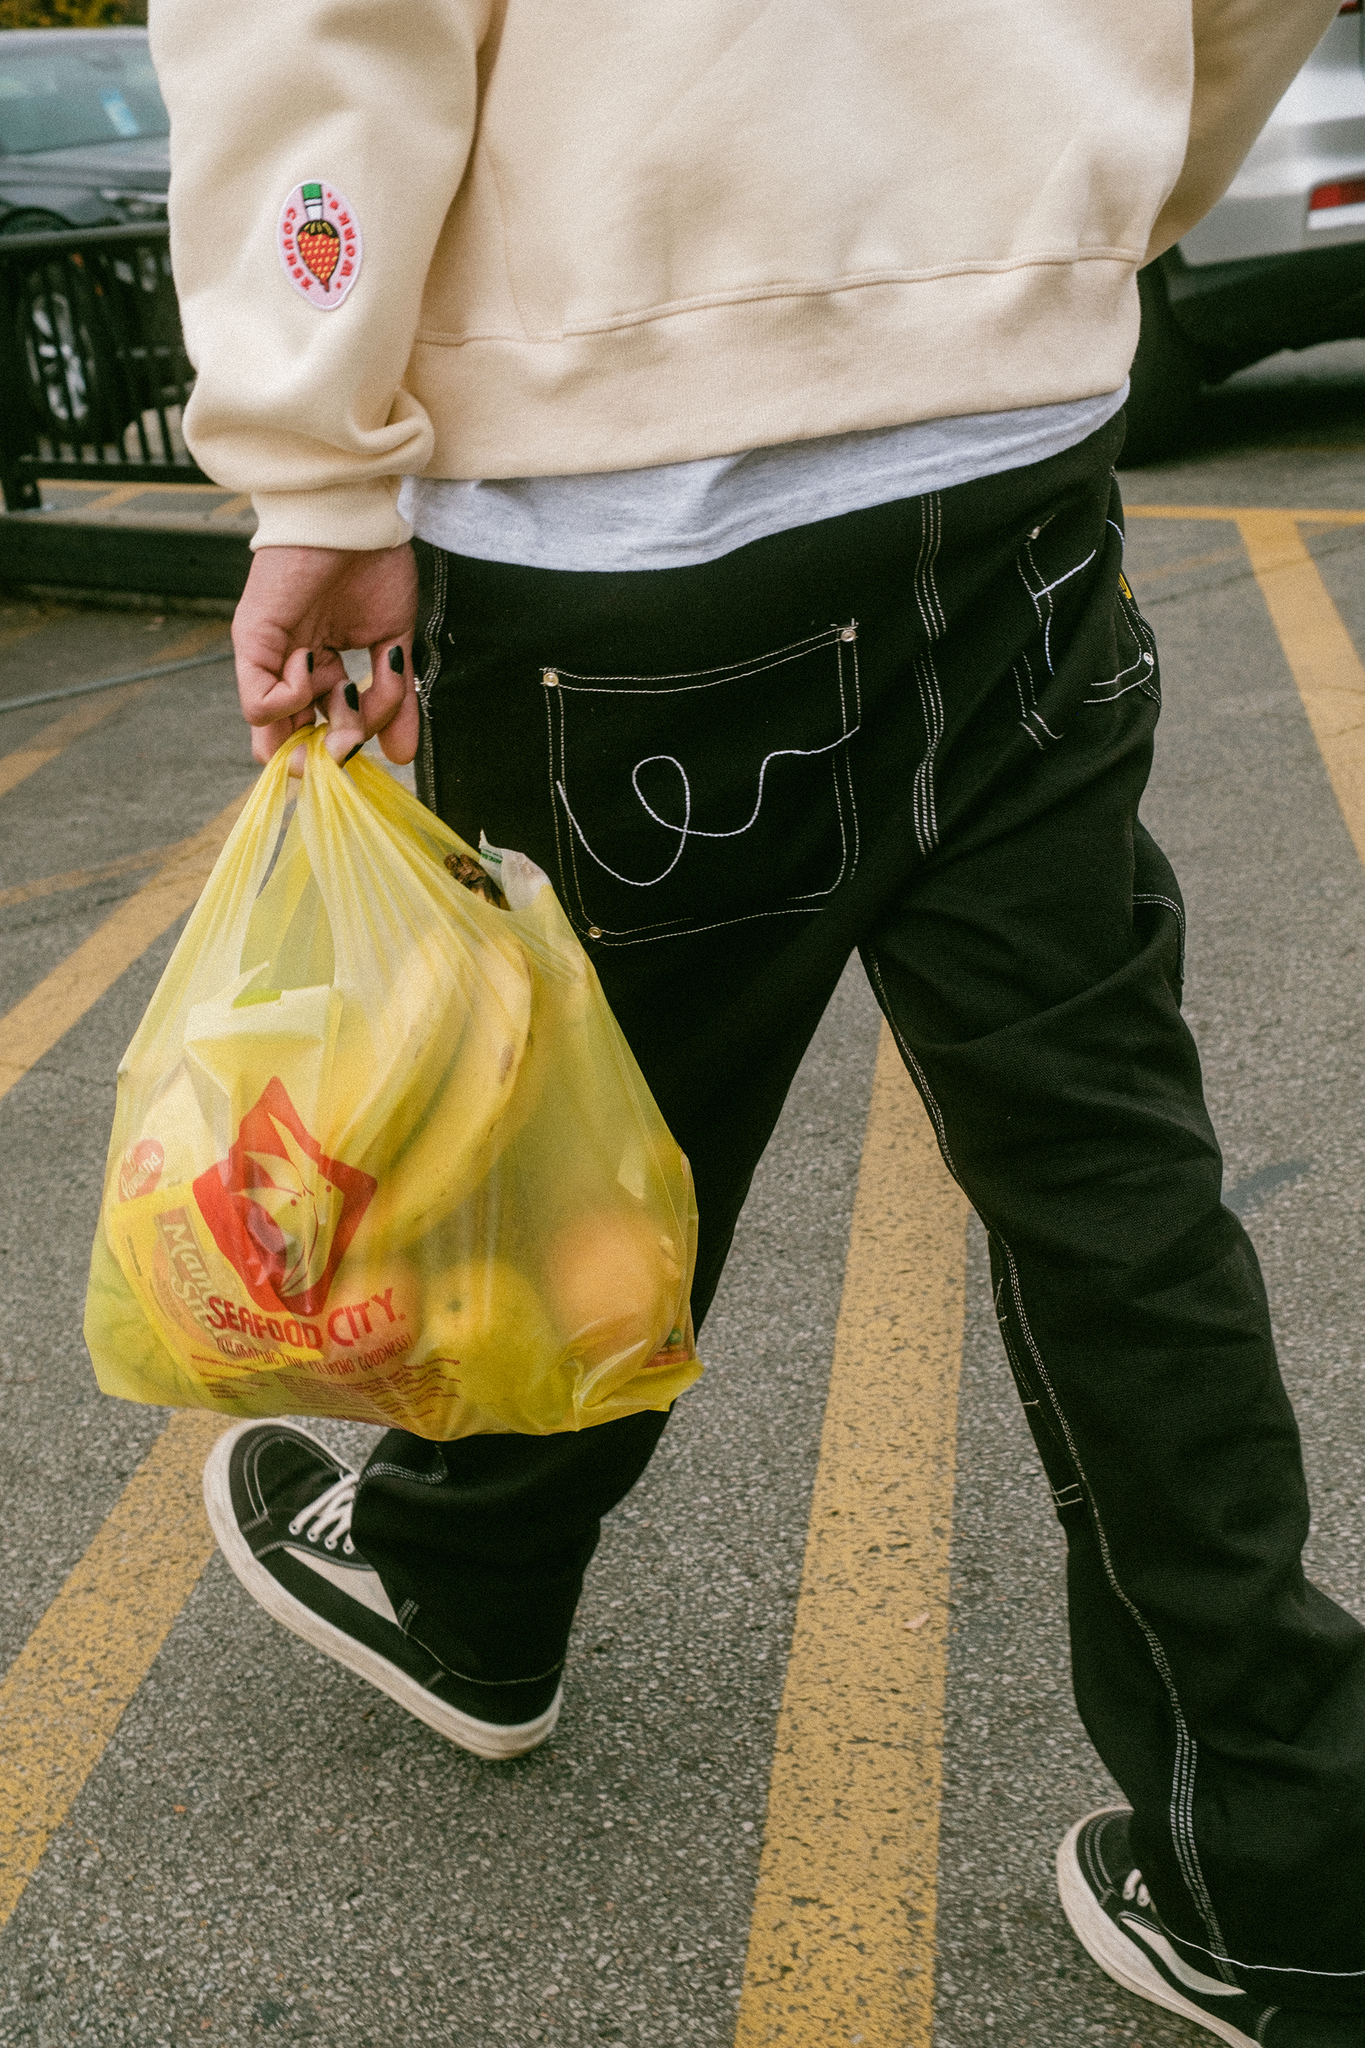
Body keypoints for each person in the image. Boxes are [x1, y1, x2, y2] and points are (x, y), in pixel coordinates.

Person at [152, 2, 1361, 2040]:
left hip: (625, 473)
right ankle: (1288, 1849)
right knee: (1102, 1165)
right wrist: (1057, 210)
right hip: (1014, 427)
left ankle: (468, 1579)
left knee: (605, 1108)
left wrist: (310, 455)